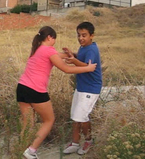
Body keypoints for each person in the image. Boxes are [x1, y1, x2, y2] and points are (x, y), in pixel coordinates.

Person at [16, 26, 97, 159]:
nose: (54, 42)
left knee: (27, 122)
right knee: (49, 120)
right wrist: (88, 68)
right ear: (49, 37)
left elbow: (59, 56)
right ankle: (31, 151)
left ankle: (21, 149)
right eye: (54, 39)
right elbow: (66, 69)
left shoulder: (37, 49)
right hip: (36, 90)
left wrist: (72, 55)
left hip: (22, 88)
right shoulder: (48, 50)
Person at [62, 21, 102, 155]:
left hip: (90, 88)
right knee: (75, 116)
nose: (80, 38)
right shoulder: (84, 47)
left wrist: (74, 62)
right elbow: (82, 59)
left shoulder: (92, 49)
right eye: (78, 35)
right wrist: (73, 54)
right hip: (81, 87)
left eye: (84, 35)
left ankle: (89, 140)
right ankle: (75, 142)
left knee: (82, 117)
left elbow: (86, 67)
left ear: (92, 36)